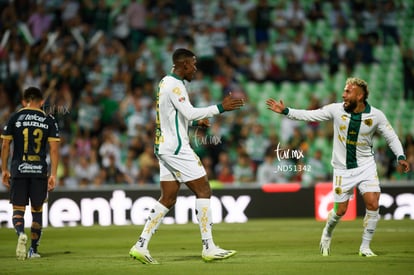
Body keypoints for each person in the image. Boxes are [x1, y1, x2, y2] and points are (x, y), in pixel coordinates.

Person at [266, 77, 410, 257]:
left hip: (366, 166)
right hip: (343, 169)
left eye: (348, 91)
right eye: (344, 90)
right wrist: (286, 111)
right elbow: (310, 115)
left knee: (373, 204)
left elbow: (391, 136)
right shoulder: (336, 110)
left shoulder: (376, 116)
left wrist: (401, 155)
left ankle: (365, 247)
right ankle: (327, 232)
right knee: (340, 210)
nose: (343, 94)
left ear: (360, 95)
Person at [128, 48, 244, 264]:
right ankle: (209, 247)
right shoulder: (175, 85)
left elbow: (174, 115)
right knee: (204, 190)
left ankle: (140, 245)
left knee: (169, 197)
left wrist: (194, 122)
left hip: (163, 146)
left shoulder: (165, 82)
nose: (195, 69)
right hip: (177, 148)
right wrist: (220, 107)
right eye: (193, 64)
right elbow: (189, 112)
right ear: (183, 65)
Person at [1, 87, 60, 260]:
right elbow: (54, 149)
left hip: (19, 170)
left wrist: (4, 169)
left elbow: (5, 146)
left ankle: (20, 233)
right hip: (38, 172)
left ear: (23, 101)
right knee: (37, 211)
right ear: (42, 102)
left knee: (18, 209)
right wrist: (54, 174)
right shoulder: (48, 119)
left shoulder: (15, 117)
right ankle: (33, 250)